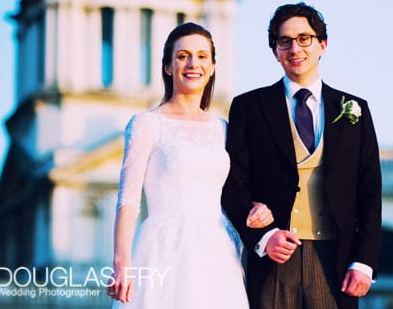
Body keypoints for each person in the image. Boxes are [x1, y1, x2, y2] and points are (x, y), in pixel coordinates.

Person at [222, 3, 382, 309]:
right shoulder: (249, 107)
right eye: (284, 41)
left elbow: (370, 190)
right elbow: (233, 183)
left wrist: (364, 261)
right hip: (274, 257)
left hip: (335, 260)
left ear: (323, 44)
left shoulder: (353, 108)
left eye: (304, 38)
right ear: (275, 52)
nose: (295, 48)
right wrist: (264, 237)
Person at [108, 22, 273, 308]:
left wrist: (260, 207)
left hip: (218, 252)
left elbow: (237, 191)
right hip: (164, 250)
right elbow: (129, 199)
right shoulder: (147, 124)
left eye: (201, 56)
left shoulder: (223, 128)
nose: (192, 63)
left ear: (211, 67)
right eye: (183, 56)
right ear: (168, 67)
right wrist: (122, 261)